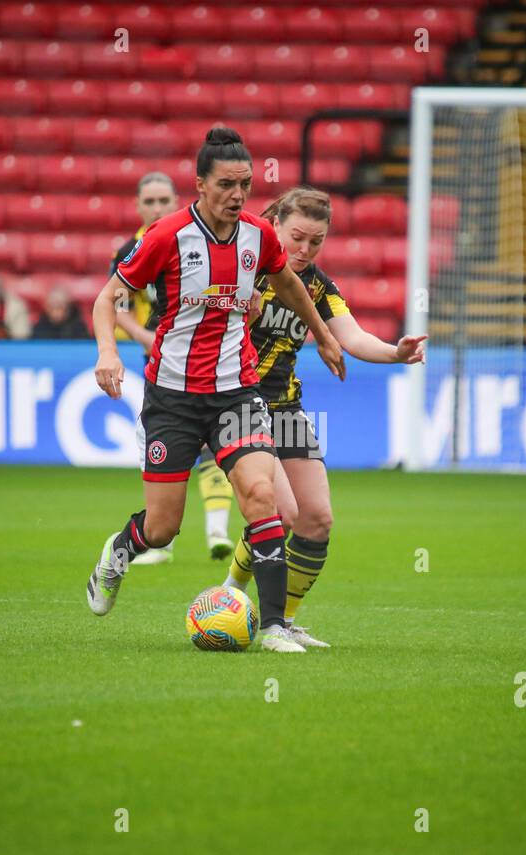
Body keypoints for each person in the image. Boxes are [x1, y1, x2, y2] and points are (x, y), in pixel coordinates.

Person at [84, 127, 346, 653]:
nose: (238, 194)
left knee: (261, 495)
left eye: (245, 184)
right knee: (162, 528)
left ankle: (272, 626)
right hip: (173, 398)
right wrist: (108, 352)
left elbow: (291, 285)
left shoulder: (258, 235)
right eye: (227, 183)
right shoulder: (165, 236)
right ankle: (119, 550)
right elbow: (107, 297)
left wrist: (322, 336)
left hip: (236, 392)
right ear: (200, 184)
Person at [220, 187, 426, 647]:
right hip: (237, 403)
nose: (304, 249)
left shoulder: (316, 285)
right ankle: (230, 596)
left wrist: (396, 353)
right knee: (283, 513)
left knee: (316, 520)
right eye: (297, 237)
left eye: (316, 241)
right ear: (274, 225)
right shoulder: (242, 268)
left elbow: (350, 336)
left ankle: (285, 619)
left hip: (287, 409)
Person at [109, 170, 237, 565]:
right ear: (137, 206)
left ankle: (216, 529)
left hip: (207, 362)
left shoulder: (191, 241)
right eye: (149, 201)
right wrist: (145, 338)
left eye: (164, 200)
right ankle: (161, 539)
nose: (157, 207)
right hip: (160, 365)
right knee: (167, 449)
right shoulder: (133, 248)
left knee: (211, 445)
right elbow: (116, 306)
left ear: (176, 200)